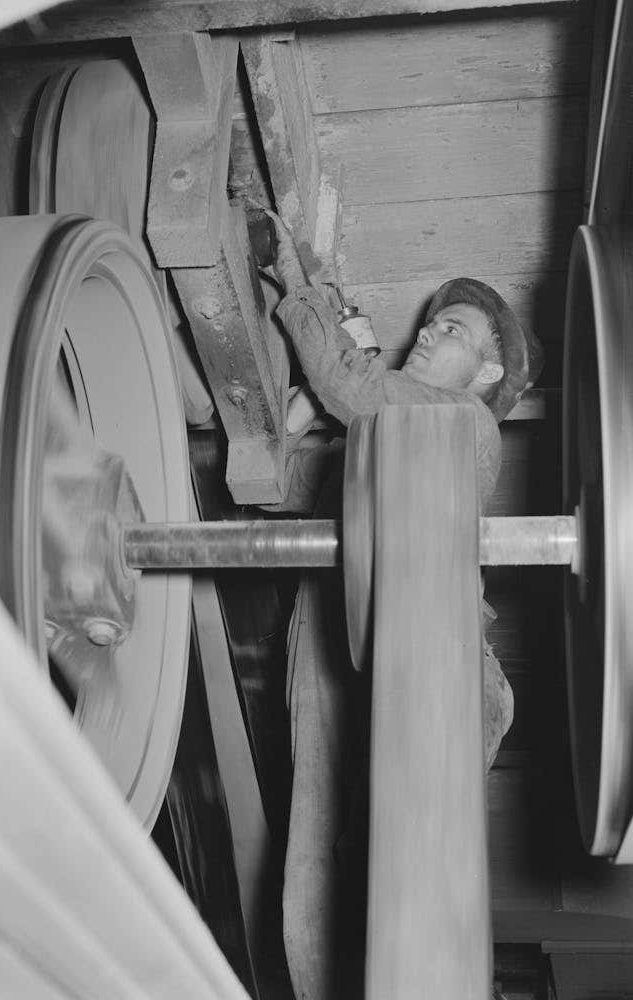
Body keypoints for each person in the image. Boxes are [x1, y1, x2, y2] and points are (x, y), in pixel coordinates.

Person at [262, 212, 544, 1000]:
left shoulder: (462, 421)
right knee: (324, 867)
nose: (426, 332)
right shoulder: (372, 438)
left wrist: (303, 290)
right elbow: (289, 482)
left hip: (441, 660)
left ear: (487, 372)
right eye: (429, 322)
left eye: (452, 330)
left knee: (404, 877)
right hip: (339, 637)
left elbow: (353, 385)